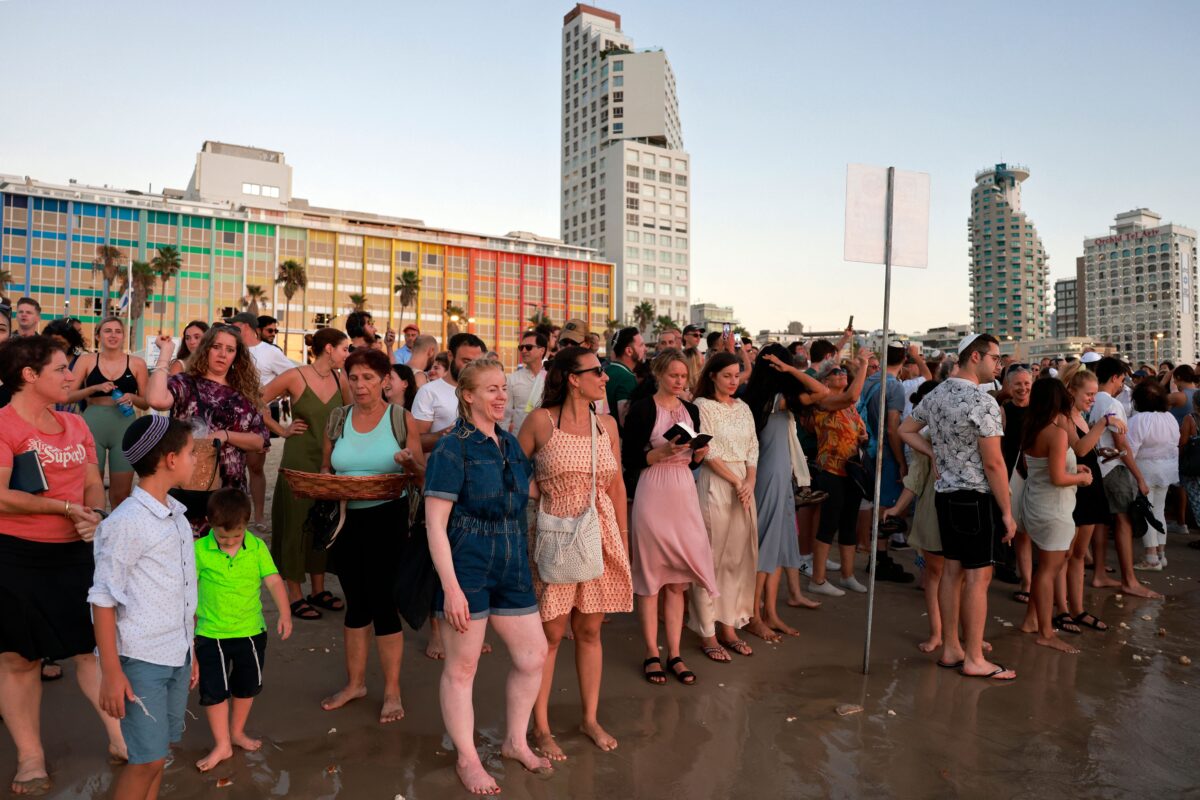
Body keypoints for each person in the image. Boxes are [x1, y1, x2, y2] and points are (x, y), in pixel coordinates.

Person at [0, 336, 125, 796]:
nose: (71, 377)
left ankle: (119, 738)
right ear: (30, 376)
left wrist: (91, 513)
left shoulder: (76, 426)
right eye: (61, 369)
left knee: (90, 649)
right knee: (18, 658)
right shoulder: (3, 425)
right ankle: (30, 756)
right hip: (17, 555)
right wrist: (63, 509)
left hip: (76, 553)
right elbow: (1, 495)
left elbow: (94, 481)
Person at [424, 357, 552, 794]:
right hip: (468, 560)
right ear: (468, 395)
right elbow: (435, 524)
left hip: (513, 557)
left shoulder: (511, 444)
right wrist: (451, 588)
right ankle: (468, 757)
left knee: (533, 655)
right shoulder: (450, 448)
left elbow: (528, 492)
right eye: (492, 389)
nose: (502, 396)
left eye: (503, 388)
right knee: (463, 668)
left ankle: (516, 741)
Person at [518, 346, 632, 759]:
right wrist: (538, 490)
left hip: (600, 535)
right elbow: (511, 470)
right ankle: (541, 727)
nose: (605, 378)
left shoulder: (606, 425)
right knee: (550, 635)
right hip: (556, 535)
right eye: (597, 372)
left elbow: (617, 485)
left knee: (590, 631)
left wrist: (622, 538)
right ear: (572, 378)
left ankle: (590, 718)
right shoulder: (541, 421)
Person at [90, 416, 197, 800]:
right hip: (140, 660)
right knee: (146, 761)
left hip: (176, 654)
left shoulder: (177, 516)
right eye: (190, 453)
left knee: (159, 753)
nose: (195, 460)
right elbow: (103, 598)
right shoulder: (126, 522)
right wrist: (111, 672)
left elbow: (184, 592)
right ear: (170, 459)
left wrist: (192, 651)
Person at [901, 334, 1018, 681]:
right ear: (976, 357)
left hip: (945, 495)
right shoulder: (982, 403)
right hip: (976, 496)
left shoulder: (936, 394)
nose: (998, 365)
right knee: (978, 577)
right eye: (995, 358)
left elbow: (906, 429)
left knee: (951, 574)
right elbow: (994, 464)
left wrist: (934, 452)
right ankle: (974, 658)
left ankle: (952, 648)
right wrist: (1008, 512)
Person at [319, 348, 423, 725]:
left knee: (383, 603)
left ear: (385, 381)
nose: (360, 385)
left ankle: (392, 691)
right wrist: (326, 482)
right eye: (353, 377)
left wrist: (410, 463)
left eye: (368, 378)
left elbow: (421, 475)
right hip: (347, 521)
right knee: (355, 602)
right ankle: (355, 684)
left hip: (389, 520)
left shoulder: (400, 419)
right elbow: (326, 468)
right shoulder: (338, 418)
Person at [623, 349, 718, 686]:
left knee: (678, 579)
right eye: (674, 375)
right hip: (653, 490)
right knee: (651, 578)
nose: (680, 381)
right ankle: (652, 651)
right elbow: (629, 457)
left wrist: (699, 454)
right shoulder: (643, 408)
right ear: (660, 374)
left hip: (683, 491)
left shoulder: (691, 409)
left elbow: (692, 460)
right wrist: (657, 453)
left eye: (684, 376)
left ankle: (675, 653)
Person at [193, 488, 292, 772]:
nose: (229, 541)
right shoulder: (199, 550)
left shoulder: (257, 547)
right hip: (210, 633)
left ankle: (236, 732)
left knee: (245, 687)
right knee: (213, 690)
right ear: (210, 524)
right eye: (222, 536)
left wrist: (285, 612)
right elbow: (187, 589)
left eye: (235, 535)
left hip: (250, 632)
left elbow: (273, 580)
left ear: (246, 525)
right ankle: (222, 743)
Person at [262, 327, 352, 622]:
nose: (346, 355)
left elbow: (350, 415)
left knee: (322, 526)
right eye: (344, 349)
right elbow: (255, 400)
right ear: (329, 349)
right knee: (295, 526)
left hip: (330, 463)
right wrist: (281, 430)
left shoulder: (341, 379)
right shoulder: (295, 376)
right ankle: (295, 594)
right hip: (299, 460)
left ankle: (317, 590)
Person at [743, 344, 828, 638]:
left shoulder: (764, 398)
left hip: (777, 475)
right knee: (765, 548)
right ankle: (755, 615)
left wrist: (789, 369)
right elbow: (822, 393)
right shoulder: (774, 400)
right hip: (769, 478)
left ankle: (770, 612)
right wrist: (792, 369)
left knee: (776, 548)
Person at [145, 328, 270, 530]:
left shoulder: (245, 394)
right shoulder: (185, 383)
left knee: (225, 552)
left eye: (230, 350)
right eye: (217, 347)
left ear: (237, 356)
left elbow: (259, 441)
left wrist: (226, 435)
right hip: (189, 487)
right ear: (205, 350)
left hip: (230, 491)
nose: (222, 354)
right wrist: (165, 354)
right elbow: (156, 400)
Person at [687, 352, 762, 654]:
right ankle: (707, 631)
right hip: (717, 483)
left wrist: (750, 481)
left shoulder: (743, 407)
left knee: (737, 559)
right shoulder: (702, 406)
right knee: (712, 558)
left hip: (744, 485)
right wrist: (735, 481)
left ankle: (728, 626)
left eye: (736, 375)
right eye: (727, 375)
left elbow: (753, 446)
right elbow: (708, 449)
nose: (733, 381)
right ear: (713, 376)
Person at [1012, 379, 1092, 654]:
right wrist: (1080, 478)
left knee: (1043, 568)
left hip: (1036, 505)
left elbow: (1036, 466)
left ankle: (1030, 620)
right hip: (1053, 511)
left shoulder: (1032, 426)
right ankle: (1046, 632)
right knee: (1048, 571)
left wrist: (1073, 465)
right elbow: (1058, 477)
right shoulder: (1057, 432)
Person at [883, 380, 945, 653]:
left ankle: (966, 634)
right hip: (932, 506)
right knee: (934, 574)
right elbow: (916, 478)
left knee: (965, 576)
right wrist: (897, 509)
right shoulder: (926, 435)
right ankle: (937, 633)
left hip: (964, 504)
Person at [1091, 357, 1161, 598]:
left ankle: (1099, 573)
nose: (1123, 384)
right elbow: (1122, 446)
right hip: (1114, 468)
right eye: (1122, 379)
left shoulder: (1090, 399)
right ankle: (1129, 580)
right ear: (1115, 378)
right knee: (1123, 522)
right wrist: (1139, 477)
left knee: (1100, 522)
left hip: (1097, 467)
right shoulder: (1111, 403)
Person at [64, 318, 150, 509]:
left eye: (118, 331)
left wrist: (131, 397)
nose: (113, 335)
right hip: (92, 425)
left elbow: (146, 403)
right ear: (98, 335)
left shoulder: (137, 363)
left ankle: (116, 536)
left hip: (125, 428)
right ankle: (92, 534)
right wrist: (92, 388)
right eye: (107, 331)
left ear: (123, 336)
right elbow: (66, 395)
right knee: (91, 490)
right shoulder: (86, 360)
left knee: (121, 494)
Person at [1060, 365, 1118, 632]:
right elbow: (1079, 447)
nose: (1093, 399)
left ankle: (1077, 608)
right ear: (1072, 391)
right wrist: (1104, 422)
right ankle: (1063, 609)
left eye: (1095, 395)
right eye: (1089, 394)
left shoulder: (1081, 416)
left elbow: (1087, 450)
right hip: (1075, 489)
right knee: (1066, 554)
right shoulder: (1064, 417)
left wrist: (1102, 451)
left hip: (1090, 486)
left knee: (1080, 554)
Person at [808, 361, 871, 597]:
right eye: (836, 372)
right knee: (828, 524)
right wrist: (864, 364)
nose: (842, 373)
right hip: (831, 471)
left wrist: (863, 435)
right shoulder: (824, 402)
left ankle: (847, 575)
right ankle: (818, 578)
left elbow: (859, 429)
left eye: (844, 371)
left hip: (851, 470)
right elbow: (853, 395)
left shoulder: (848, 407)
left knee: (848, 524)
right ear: (825, 381)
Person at [231, 312, 296, 533]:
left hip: (257, 419)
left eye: (235, 326)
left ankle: (258, 516)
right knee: (230, 469)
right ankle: (234, 515)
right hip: (228, 416)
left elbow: (294, 379)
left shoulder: (270, 353)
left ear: (248, 327)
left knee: (255, 468)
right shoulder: (230, 349)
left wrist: (268, 397)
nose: (232, 329)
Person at [859, 341, 914, 581]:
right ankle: (880, 559)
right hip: (886, 452)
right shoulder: (894, 387)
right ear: (903, 359)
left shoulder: (870, 379)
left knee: (877, 503)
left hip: (868, 449)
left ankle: (877, 557)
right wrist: (902, 461)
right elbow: (893, 428)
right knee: (887, 506)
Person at [1127, 379, 1179, 571]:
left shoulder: (1138, 420)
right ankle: (1161, 554)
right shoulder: (1170, 418)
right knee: (1159, 511)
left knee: (1145, 512)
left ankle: (1151, 557)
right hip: (1167, 469)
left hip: (1144, 470)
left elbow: (1129, 451)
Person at [413, 333, 487, 454]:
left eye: (476, 362)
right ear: (450, 356)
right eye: (466, 361)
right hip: (441, 468)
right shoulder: (429, 392)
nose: (471, 367)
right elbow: (415, 442)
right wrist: (444, 435)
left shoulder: (485, 392)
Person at [999, 365, 1034, 595]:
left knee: (1032, 531)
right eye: (1017, 384)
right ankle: (1027, 583)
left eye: (1026, 383)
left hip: (1037, 476)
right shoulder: (1003, 410)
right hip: (1011, 474)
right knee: (1019, 531)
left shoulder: (1039, 410)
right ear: (1009, 387)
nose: (1023, 388)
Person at [505, 331, 546, 434]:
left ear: (542, 350)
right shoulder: (512, 379)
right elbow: (505, 414)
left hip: (547, 438)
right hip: (518, 439)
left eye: (528, 347)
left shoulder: (552, 377)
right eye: (521, 347)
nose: (523, 351)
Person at [605, 327, 645, 427]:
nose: (645, 349)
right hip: (617, 439)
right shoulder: (626, 378)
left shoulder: (605, 370)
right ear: (629, 351)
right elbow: (626, 422)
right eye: (641, 345)